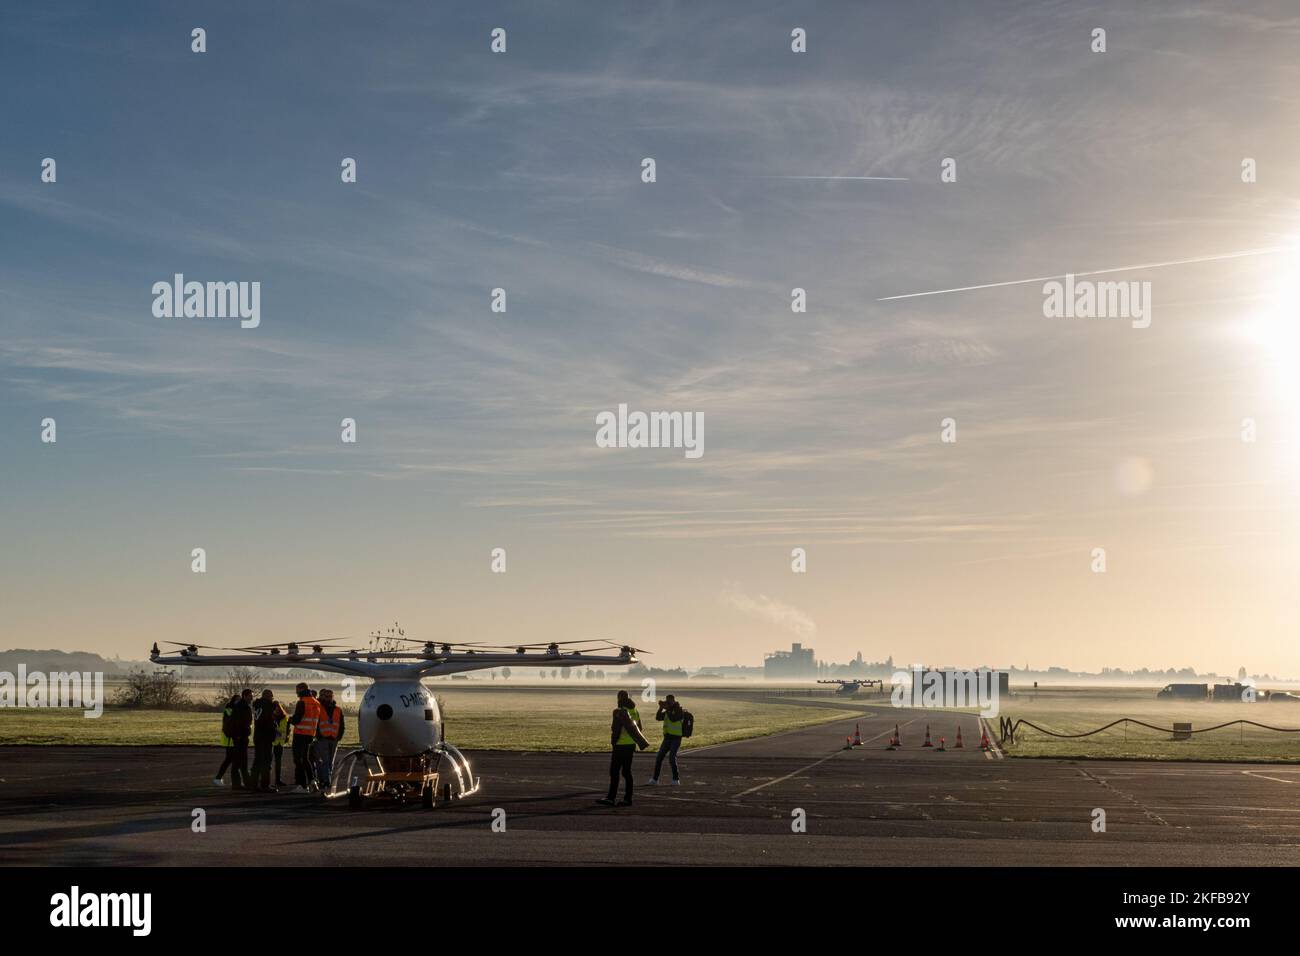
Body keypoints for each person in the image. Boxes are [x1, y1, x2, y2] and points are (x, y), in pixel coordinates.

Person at [597, 690, 648, 807]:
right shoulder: (635, 711)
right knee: (627, 772)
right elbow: (639, 728)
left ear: (619, 698)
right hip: (630, 745)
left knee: (614, 771)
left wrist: (614, 742)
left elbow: (615, 729)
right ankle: (628, 798)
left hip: (620, 745)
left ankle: (611, 797)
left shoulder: (619, 711)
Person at [288, 683, 322, 792]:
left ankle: (302, 785)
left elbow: (297, 719)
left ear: (301, 689)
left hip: (300, 734)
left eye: (297, 690)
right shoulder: (316, 702)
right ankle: (313, 781)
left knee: (298, 760)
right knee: (306, 759)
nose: (296, 692)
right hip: (310, 734)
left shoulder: (302, 702)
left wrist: (290, 719)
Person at [648, 695, 684, 786]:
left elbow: (673, 719)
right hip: (667, 738)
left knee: (672, 758)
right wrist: (660, 708)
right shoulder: (668, 711)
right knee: (659, 758)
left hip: (676, 738)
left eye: (669, 701)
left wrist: (667, 709)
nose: (667, 703)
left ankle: (676, 779)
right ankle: (655, 779)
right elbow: (658, 717)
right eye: (666, 701)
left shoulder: (679, 710)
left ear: (673, 701)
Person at [314, 688, 344, 791]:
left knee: (330, 761)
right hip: (323, 738)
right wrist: (318, 735)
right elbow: (316, 722)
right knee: (325, 761)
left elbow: (341, 724)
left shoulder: (338, 709)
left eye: (330, 696)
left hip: (334, 738)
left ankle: (324, 779)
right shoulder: (319, 707)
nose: (328, 698)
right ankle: (326, 781)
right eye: (326, 696)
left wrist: (339, 736)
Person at [251, 689, 279, 793]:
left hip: (258, 735)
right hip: (266, 736)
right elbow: (269, 721)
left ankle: (253, 783)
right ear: (269, 696)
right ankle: (265, 784)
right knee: (266, 761)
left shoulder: (257, 705)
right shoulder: (267, 706)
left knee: (257, 760)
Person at [228, 688, 254, 791]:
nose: (252, 698)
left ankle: (244, 783)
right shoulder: (242, 707)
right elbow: (239, 722)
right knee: (239, 761)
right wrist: (239, 735)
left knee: (242, 761)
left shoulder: (241, 706)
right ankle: (237, 784)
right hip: (240, 737)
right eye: (250, 696)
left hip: (241, 737)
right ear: (245, 696)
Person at [213, 694, 239, 787]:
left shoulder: (229, 710)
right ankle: (219, 778)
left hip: (229, 738)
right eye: (238, 700)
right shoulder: (230, 711)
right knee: (230, 759)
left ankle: (221, 778)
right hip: (230, 739)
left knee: (231, 759)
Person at [272, 700, 289, 788]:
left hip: (280, 743)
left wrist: (286, 737)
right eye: (275, 708)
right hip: (272, 742)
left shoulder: (284, 717)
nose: (277, 709)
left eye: (278, 707)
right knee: (269, 762)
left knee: (278, 762)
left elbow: (287, 729)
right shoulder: (270, 716)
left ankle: (278, 780)